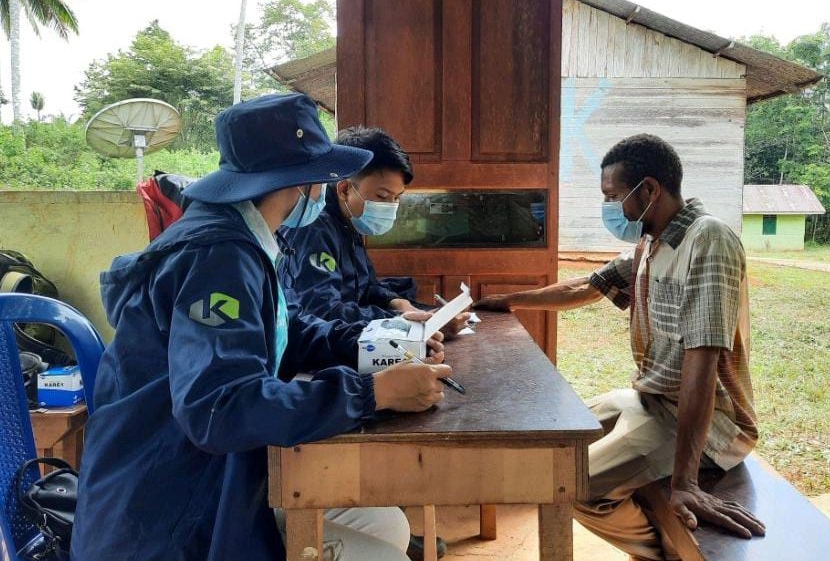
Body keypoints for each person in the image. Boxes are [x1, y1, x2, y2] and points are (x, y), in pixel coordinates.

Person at [71, 93, 453, 561]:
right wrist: (373, 394)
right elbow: (220, 408)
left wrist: (380, 347)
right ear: (299, 181)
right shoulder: (218, 257)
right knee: (382, 553)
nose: (324, 190)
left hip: (217, 474)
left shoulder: (245, 239)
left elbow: (281, 331)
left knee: (383, 522)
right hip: (170, 511)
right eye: (323, 177)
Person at [475, 134, 765, 560]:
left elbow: (702, 362)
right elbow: (586, 286)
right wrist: (509, 300)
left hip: (710, 423)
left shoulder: (707, 240)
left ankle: (660, 553)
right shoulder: (653, 242)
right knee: (553, 444)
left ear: (648, 189)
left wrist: (685, 483)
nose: (611, 209)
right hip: (649, 400)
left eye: (613, 197)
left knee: (571, 487)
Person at [279, 126, 469, 337]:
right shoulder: (314, 230)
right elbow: (323, 311)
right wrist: (400, 321)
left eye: (397, 198)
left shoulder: (349, 221)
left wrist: (396, 302)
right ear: (345, 189)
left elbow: (364, 287)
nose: (390, 206)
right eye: (382, 196)